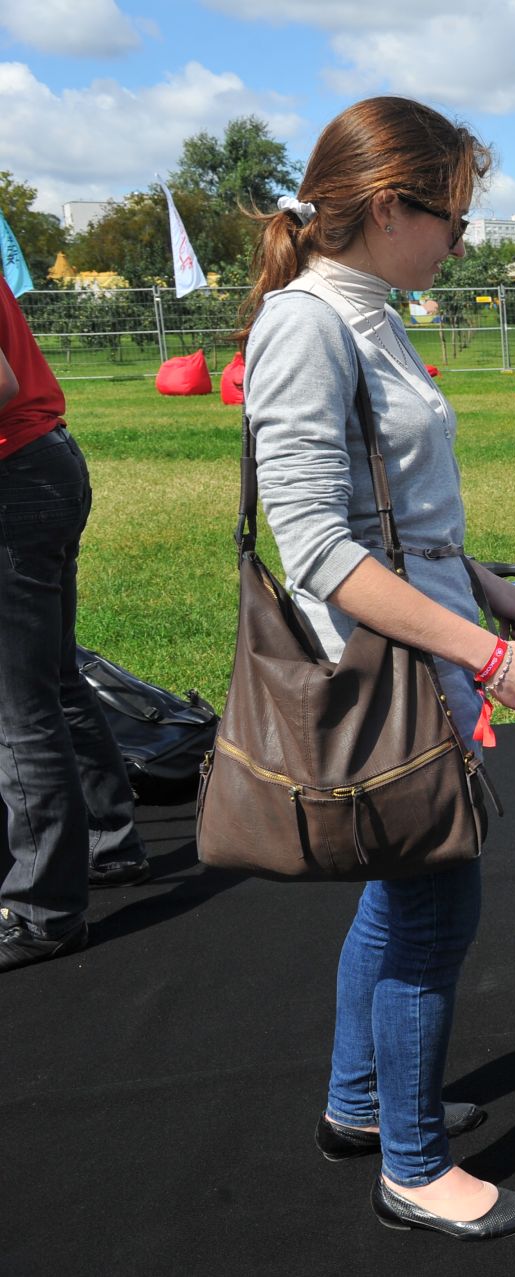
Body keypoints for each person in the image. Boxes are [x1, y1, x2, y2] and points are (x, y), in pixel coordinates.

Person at [239, 96, 515, 1240]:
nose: (459, 242)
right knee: (437, 898)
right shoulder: (307, 324)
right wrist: (491, 652)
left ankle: (359, 1105)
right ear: (390, 206)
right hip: (387, 670)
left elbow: (388, 502)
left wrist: (478, 577)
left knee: (403, 892)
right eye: (454, 219)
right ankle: (416, 1164)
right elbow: (321, 547)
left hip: (430, 632)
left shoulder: (371, 307)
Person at [0, 279, 152, 974]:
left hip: (13, 477)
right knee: (56, 680)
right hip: (45, 460)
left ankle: (44, 910)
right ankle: (108, 841)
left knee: (19, 707)